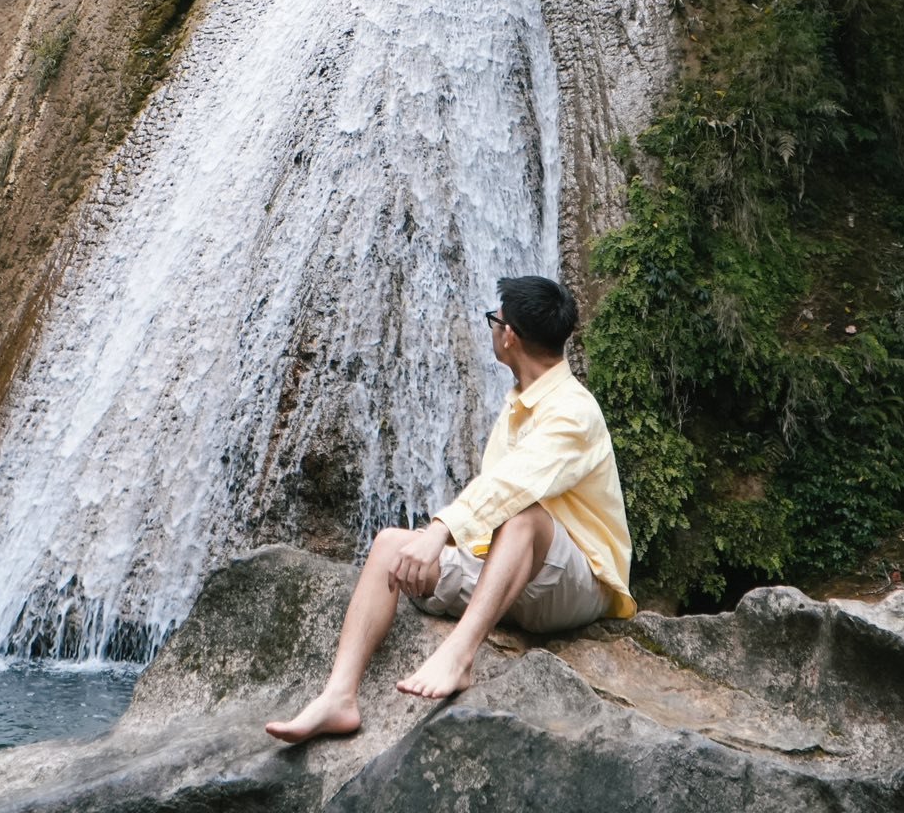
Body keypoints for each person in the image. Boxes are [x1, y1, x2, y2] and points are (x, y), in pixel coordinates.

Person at [266, 273, 635, 744]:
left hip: (577, 583)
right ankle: (339, 697)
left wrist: (441, 531)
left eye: (493, 321)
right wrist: (429, 545)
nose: (492, 330)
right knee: (391, 546)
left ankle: (460, 655)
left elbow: (512, 486)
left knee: (526, 517)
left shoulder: (573, 411)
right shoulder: (521, 400)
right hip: (508, 574)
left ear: (510, 336)